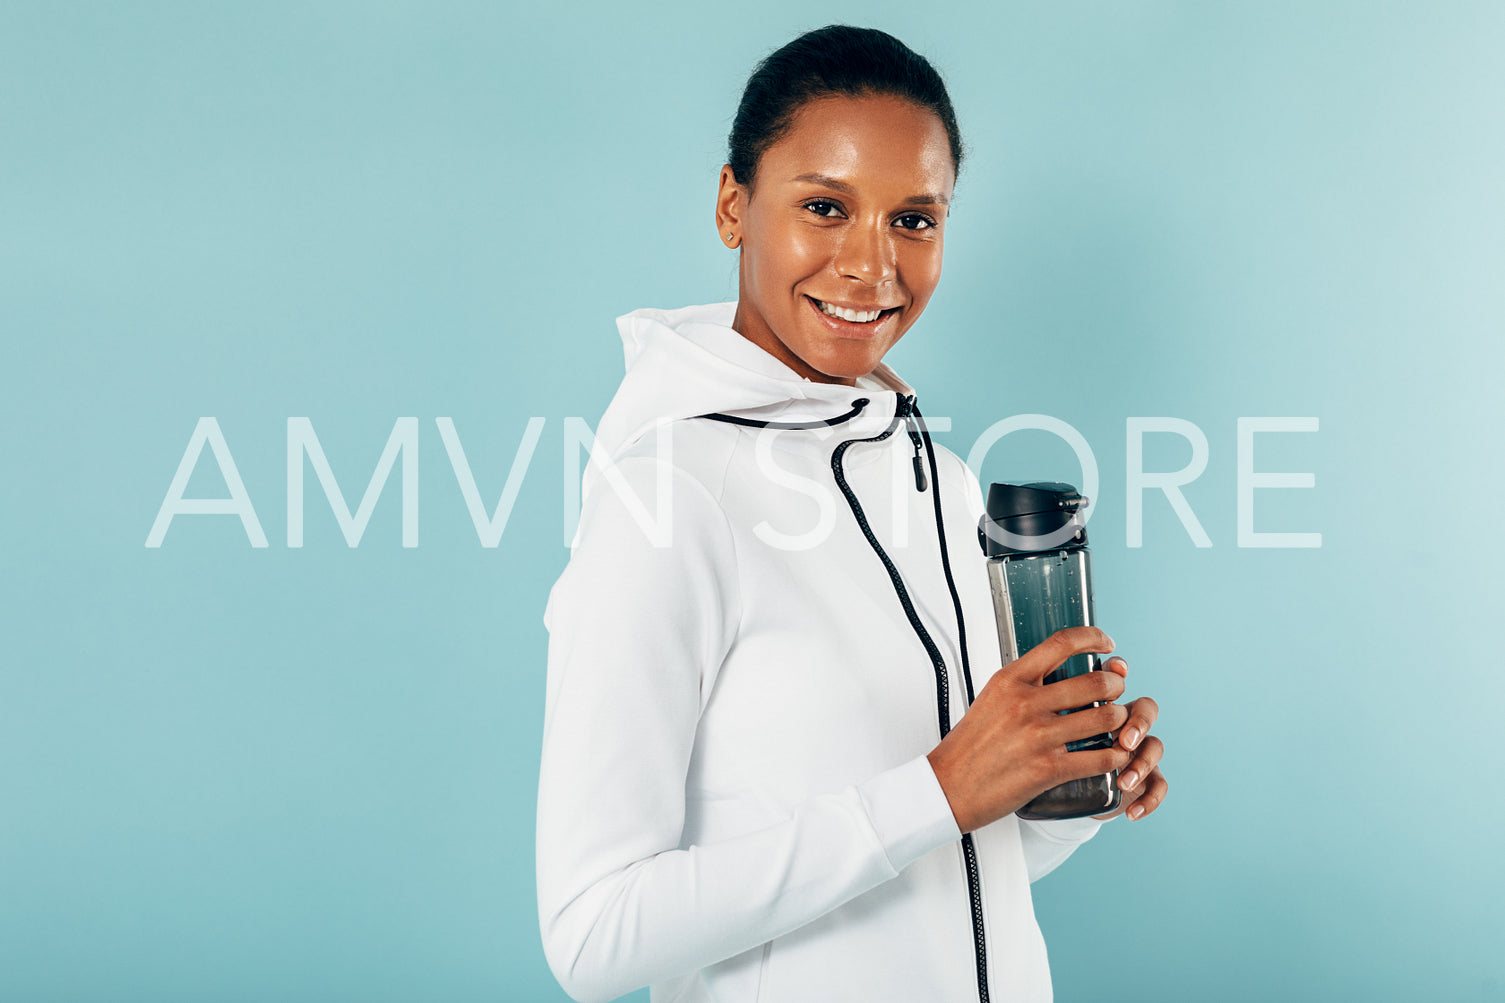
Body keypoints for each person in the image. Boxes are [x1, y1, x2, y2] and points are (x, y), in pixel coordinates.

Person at [536, 24, 1167, 1003]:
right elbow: (594, 935)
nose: (872, 267)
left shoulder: (945, 482)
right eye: (825, 206)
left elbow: (948, 871)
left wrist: (1063, 789)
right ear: (732, 205)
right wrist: (941, 785)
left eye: (913, 219)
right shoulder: (666, 496)